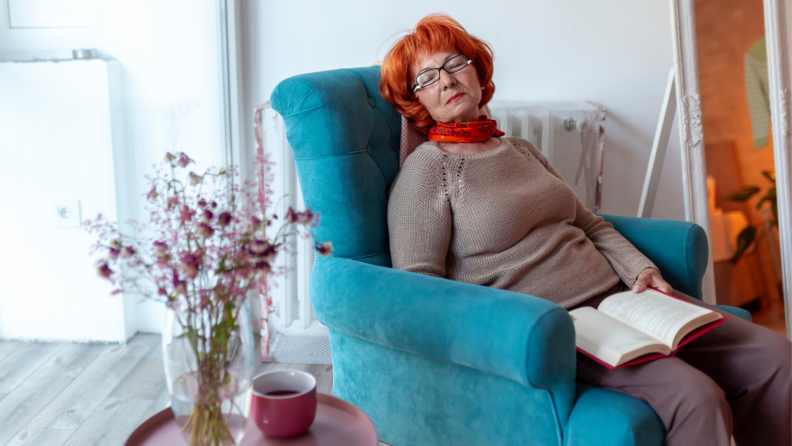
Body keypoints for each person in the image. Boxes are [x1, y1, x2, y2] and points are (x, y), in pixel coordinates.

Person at [379, 13, 791, 446]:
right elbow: (420, 290)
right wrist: (514, 328)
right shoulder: (428, 170)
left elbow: (588, 223)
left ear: (477, 69)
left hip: (625, 301)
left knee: (777, 357)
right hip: (561, 328)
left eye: (454, 63)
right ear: (416, 102)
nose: (446, 80)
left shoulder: (520, 149)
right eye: (426, 77)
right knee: (696, 397)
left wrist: (639, 269)